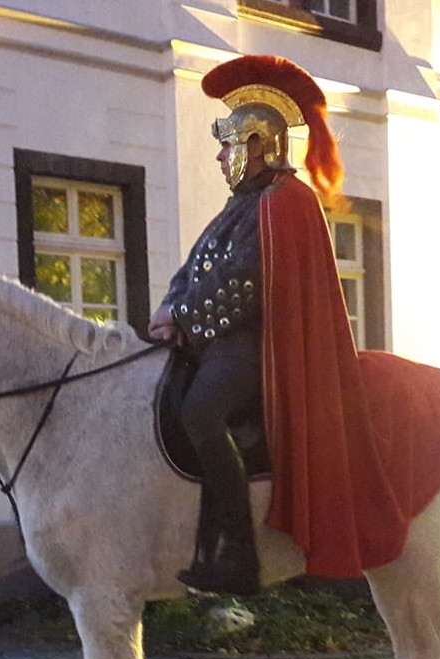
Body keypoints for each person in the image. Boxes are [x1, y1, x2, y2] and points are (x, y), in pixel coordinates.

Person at [148, 54, 351, 595]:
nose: (219, 156)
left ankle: (240, 556)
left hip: (256, 347)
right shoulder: (239, 205)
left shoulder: (288, 202)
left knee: (202, 412)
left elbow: (246, 281)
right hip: (214, 343)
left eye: (228, 144)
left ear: (259, 144)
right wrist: (169, 307)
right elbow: (195, 267)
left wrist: (185, 315)